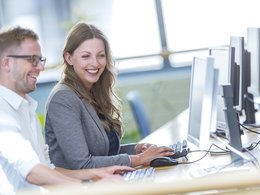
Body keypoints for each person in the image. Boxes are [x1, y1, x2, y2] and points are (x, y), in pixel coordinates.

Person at [0, 25, 134, 194]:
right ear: (7, 63)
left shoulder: (26, 109)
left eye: (40, 60)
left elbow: (49, 169)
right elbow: (32, 172)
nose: (40, 68)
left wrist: (99, 173)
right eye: (32, 59)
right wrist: (88, 187)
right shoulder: (2, 112)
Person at [44, 21, 174, 170]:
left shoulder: (93, 91)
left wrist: (136, 150)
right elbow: (82, 164)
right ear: (69, 58)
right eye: (86, 56)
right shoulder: (63, 99)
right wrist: (138, 159)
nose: (95, 63)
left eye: (101, 56)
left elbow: (103, 152)